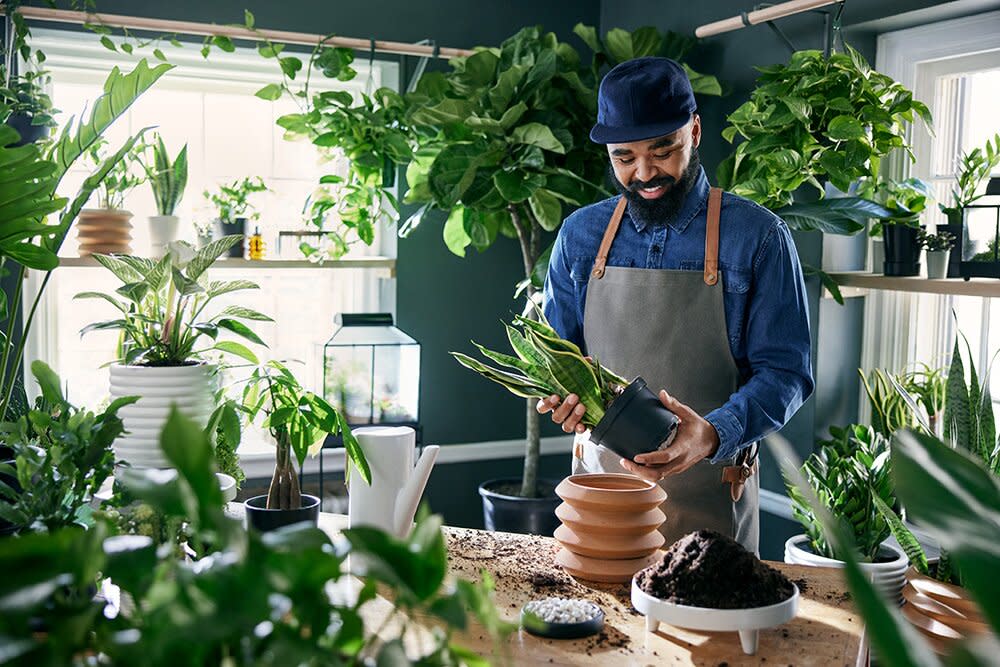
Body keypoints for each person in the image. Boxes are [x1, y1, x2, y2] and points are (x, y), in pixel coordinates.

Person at [539, 56, 814, 553]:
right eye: (624, 158)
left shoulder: (757, 237)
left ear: (695, 130)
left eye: (663, 150)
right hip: (601, 505)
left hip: (710, 507)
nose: (645, 173)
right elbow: (558, 359)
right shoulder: (581, 236)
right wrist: (561, 398)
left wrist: (711, 434)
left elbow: (786, 374)